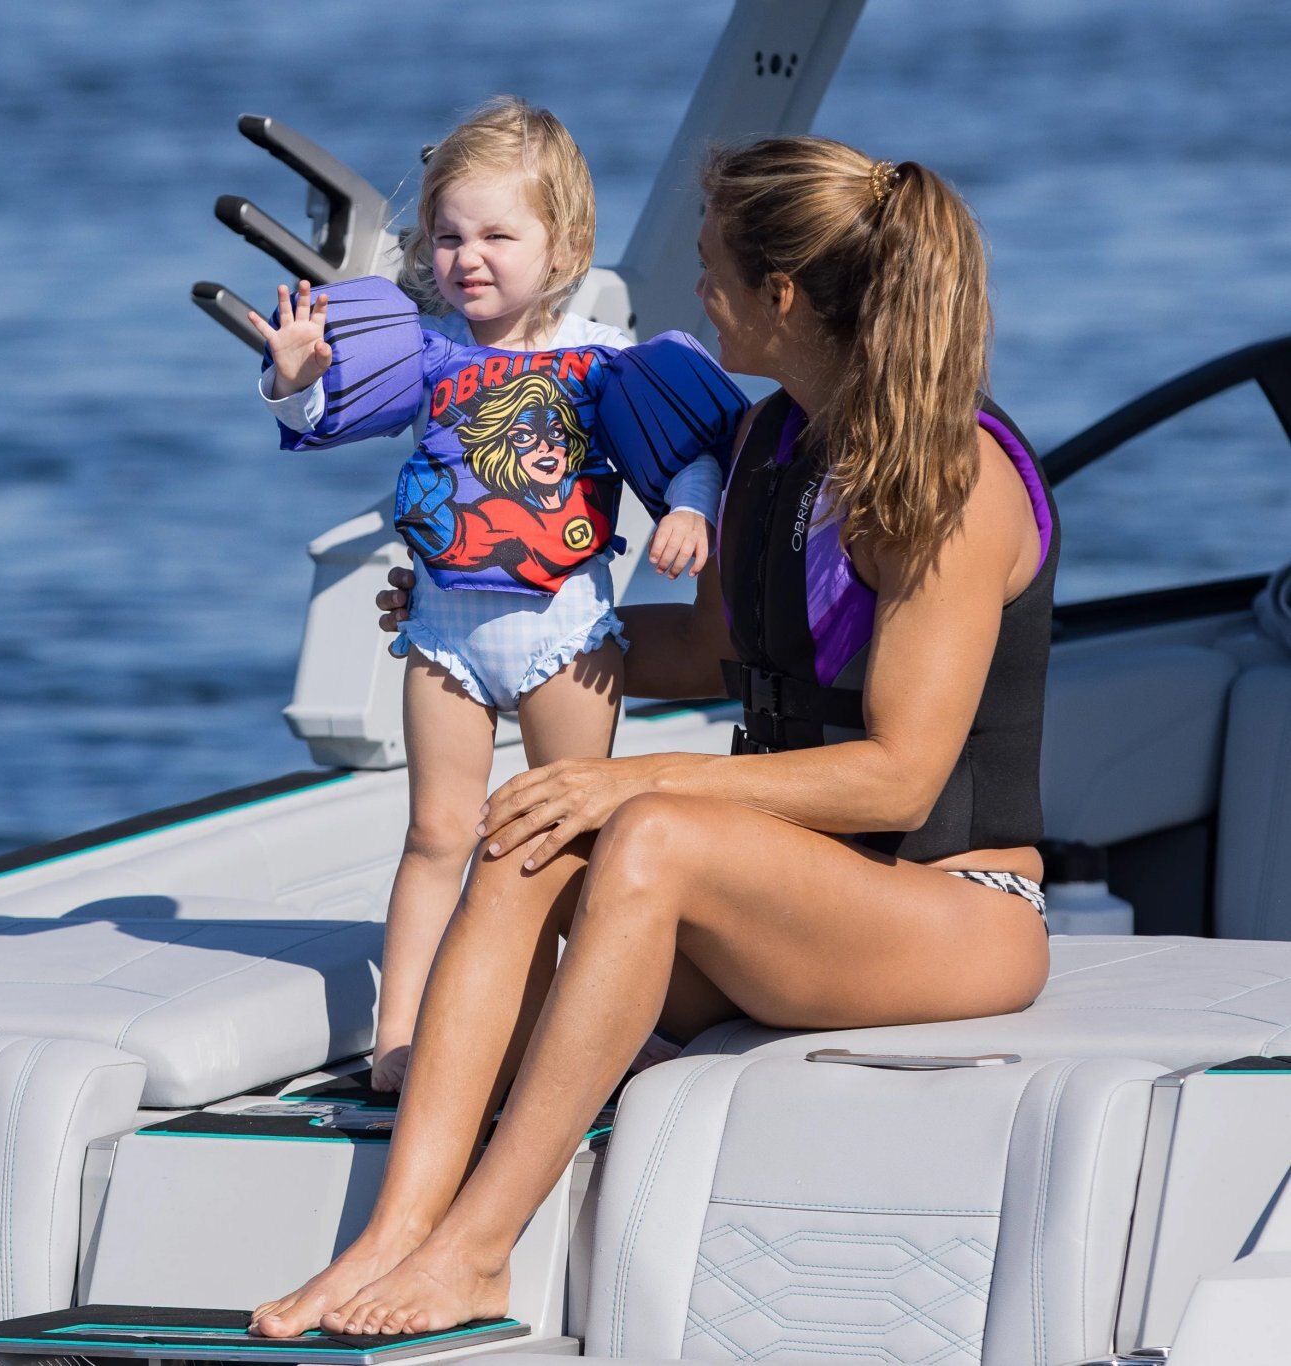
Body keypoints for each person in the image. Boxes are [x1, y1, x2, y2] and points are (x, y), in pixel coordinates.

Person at [249, 134, 1057, 1340]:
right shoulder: (769, 443)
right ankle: (389, 1233)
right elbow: (705, 652)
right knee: (531, 829)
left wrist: (629, 782)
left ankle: (476, 1254)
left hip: (956, 906)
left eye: (711, 267)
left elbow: (901, 776)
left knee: (643, 829)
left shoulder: (953, 477)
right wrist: (493, 608)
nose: (695, 290)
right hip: (792, 896)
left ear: (780, 295)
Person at [249, 97, 743, 1094]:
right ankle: (399, 1039)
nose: (467, 258)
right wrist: (295, 379)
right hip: (443, 638)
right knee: (437, 837)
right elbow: (323, 417)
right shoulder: (427, 355)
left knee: (574, 843)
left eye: (496, 236)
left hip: (567, 640)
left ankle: (598, 1029)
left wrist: (689, 513)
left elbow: (689, 450)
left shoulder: (607, 360)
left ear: (565, 246)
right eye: (448, 237)